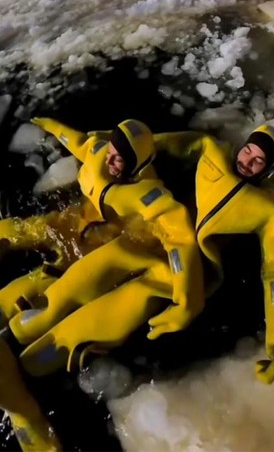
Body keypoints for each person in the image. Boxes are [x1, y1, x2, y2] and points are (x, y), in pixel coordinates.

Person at [0, 118, 205, 452]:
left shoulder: (149, 197)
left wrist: (187, 301)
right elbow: (78, 140)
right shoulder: (99, 155)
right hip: (79, 224)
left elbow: (182, 241)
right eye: (112, 151)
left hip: (115, 243)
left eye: (120, 158)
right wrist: (48, 124)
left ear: (138, 163)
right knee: (14, 237)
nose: (111, 161)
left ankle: (47, 341)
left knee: (56, 310)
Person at [152, 124, 274, 385]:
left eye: (258, 161)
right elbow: (168, 141)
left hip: (188, 269)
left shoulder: (271, 211)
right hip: (162, 232)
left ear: (268, 171)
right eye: (247, 151)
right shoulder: (213, 152)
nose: (247, 161)